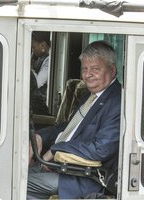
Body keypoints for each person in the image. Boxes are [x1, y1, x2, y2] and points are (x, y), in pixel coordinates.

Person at [27, 40, 121, 199]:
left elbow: (101, 149)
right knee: (14, 171)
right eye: (85, 69)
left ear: (112, 70)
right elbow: (69, 127)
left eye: (95, 69)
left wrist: (57, 149)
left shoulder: (117, 102)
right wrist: (40, 136)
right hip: (63, 167)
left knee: (19, 183)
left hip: (85, 178)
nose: (88, 74)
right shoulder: (89, 97)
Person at [31, 31, 51, 103]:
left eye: (33, 47)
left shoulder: (49, 61)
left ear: (42, 45)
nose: (33, 51)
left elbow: (37, 82)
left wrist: (30, 68)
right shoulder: (40, 57)